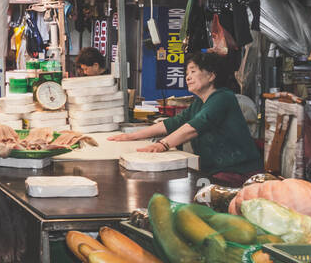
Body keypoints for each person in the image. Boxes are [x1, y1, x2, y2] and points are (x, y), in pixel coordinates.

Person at [109, 50, 262, 182]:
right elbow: (173, 123)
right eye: (187, 73)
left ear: (211, 76)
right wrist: (133, 136)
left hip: (238, 172)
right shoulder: (198, 103)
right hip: (215, 171)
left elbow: (194, 127)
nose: (188, 77)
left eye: (193, 72)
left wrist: (162, 145)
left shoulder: (223, 98)